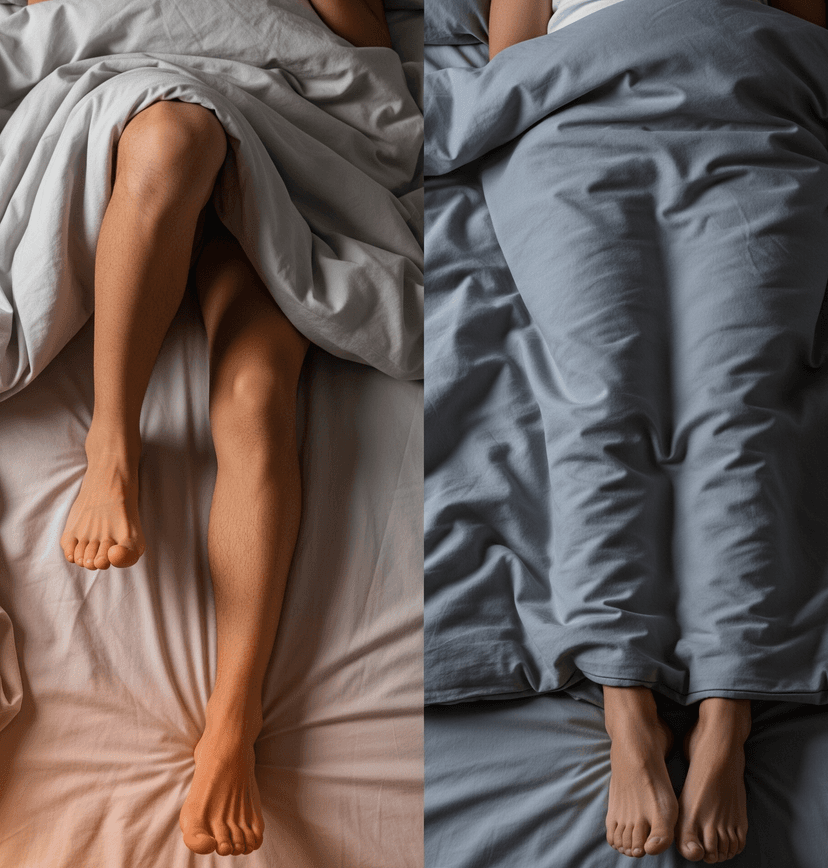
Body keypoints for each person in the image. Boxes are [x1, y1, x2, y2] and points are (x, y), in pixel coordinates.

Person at [24, 0, 395, 857]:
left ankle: (234, 720)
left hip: (280, 122)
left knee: (261, 389)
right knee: (175, 138)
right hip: (139, 103)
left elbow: (365, 53)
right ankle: (112, 446)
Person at [484, 0, 826, 863]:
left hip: (746, 120)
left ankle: (729, 707)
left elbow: (800, 38)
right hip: (578, 134)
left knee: (741, 401)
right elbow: (512, 70)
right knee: (599, 397)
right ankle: (625, 699)